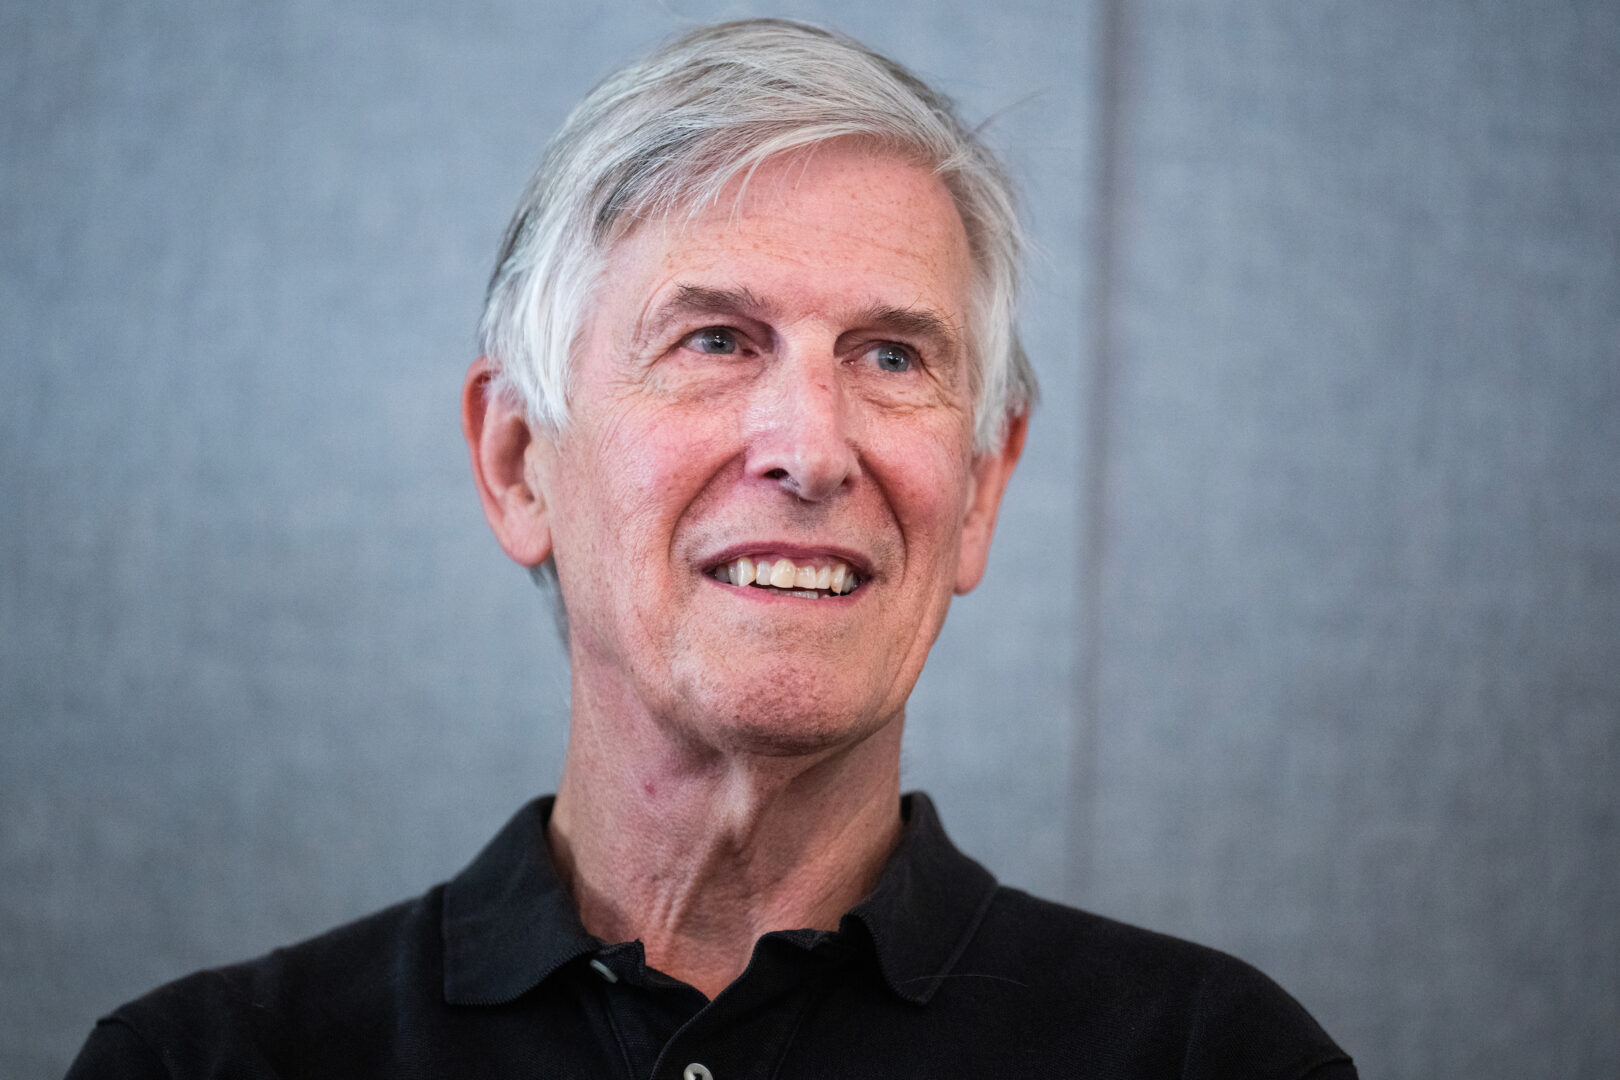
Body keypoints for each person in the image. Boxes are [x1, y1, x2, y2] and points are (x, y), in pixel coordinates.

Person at [67, 19, 1356, 1079]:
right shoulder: (200, 1066)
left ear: (978, 493)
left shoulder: (1212, 1059)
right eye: (716, 341)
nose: (812, 448)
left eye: (891, 356)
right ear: (519, 464)